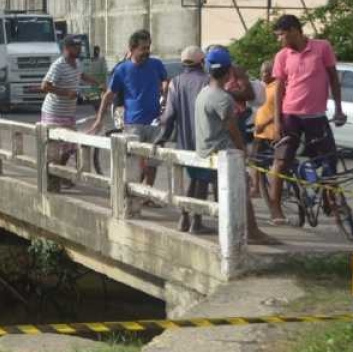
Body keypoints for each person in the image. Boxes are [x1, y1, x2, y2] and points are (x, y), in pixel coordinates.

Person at [266, 14, 346, 225]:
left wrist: (338, 108)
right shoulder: (282, 56)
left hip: (316, 116)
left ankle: (330, 200)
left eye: (281, 34)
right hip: (290, 115)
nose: (279, 39)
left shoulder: (322, 47)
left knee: (330, 160)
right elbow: (279, 89)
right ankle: (275, 207)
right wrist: (277, 120)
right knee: (281, 161)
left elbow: (333, 79)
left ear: (294, 30)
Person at [194, 47, 271, 243]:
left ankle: (232, 231)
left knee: (223, 194)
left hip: (205, 150)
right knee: (241, 189)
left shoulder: (203, 93)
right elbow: (233, 129)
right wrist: (243, 150)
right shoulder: (223, 98)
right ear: (229, 72)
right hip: (223, 153)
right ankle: (253, 232)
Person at [91, 29, 169, 189]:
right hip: (133, 123)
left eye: (148, 47)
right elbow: (109, 95)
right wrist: (99, 119)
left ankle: (148, 193)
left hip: (155, 121)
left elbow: (166, 81)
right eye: (143, 48)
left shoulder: (157, 65)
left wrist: (165, 95)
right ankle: (134, 194)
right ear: (132, 49)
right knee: (135, 162)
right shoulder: (122, 70)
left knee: (153, 162)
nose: (147, 52)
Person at [158, 46, 209, 231]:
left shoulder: (175, 83)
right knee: (201, 181)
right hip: (205, 140)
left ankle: (183, 219)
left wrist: (162, 137)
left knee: (193, 179)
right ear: (202, 62)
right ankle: (196, 221)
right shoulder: (208, 81)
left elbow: (169, 115)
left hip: (185, 141)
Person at [40, 35, 102, 190]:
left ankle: (60, 175)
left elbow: (81, 75)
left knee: (71, 147)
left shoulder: (77, 63)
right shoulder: (58, 65)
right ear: (66, 48)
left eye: (79, 46)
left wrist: (97, 83)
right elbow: (45, 86)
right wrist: (65, 92)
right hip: (53, 112)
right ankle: (56, 177)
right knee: (55, 147)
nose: (79, 49)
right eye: (75, 47)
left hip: (68, 113)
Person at [249, 59, 279, 198]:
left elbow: (279, 111)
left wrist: (265, 123)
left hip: (271, 132)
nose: (263, 75)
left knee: (275, 163)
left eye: (266, 72)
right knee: (255, 162)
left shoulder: (277, 86)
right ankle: (256, 187)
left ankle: (274, 189)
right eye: (262, 72)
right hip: (259, 132)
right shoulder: (262, 87)